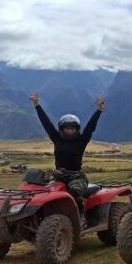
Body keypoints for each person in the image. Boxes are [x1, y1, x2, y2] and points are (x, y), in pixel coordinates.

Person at [29, 91, 104, 221]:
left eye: (72, 128)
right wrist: (37, 105)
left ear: (77, 129)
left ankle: (80, 218)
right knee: (41, 190)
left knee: (74, 192)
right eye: (66, 128)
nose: (70, 130)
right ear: (61, 129)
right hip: (58, 175)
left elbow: (90, 127)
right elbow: (47, 124)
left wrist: (98, 110)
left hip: (76, 176)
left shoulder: (82, 140)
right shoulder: (57, 138)